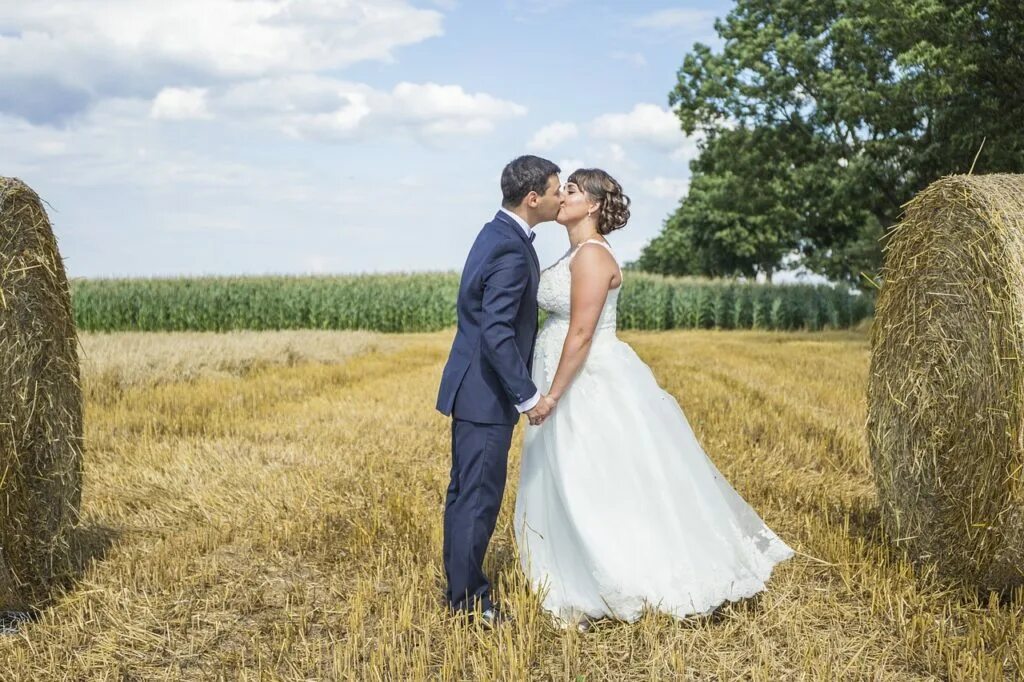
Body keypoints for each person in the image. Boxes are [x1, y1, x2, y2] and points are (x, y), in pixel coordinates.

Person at [513, 168, 795, 632]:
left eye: (572, 190)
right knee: (568, 474)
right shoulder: (572, 252)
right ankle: (571, 566)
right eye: (562, 188)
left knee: (589, 476)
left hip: (583, 381)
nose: (561, 195)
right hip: (559, 371)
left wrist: (553, 394)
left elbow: (582, 334)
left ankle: (612, 573)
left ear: (596, 205)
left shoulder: (592, 256)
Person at [435, 155, 561, 627]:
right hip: (486, 395)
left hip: (473, 390)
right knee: (478, 497)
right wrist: (528, 397)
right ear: (533, 199)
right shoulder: (509, 247)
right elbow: (497, 334)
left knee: (466, 492)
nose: (559, 195)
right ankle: (468, 601)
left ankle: (459, 588)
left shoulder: (496, 233)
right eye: (554, 189)